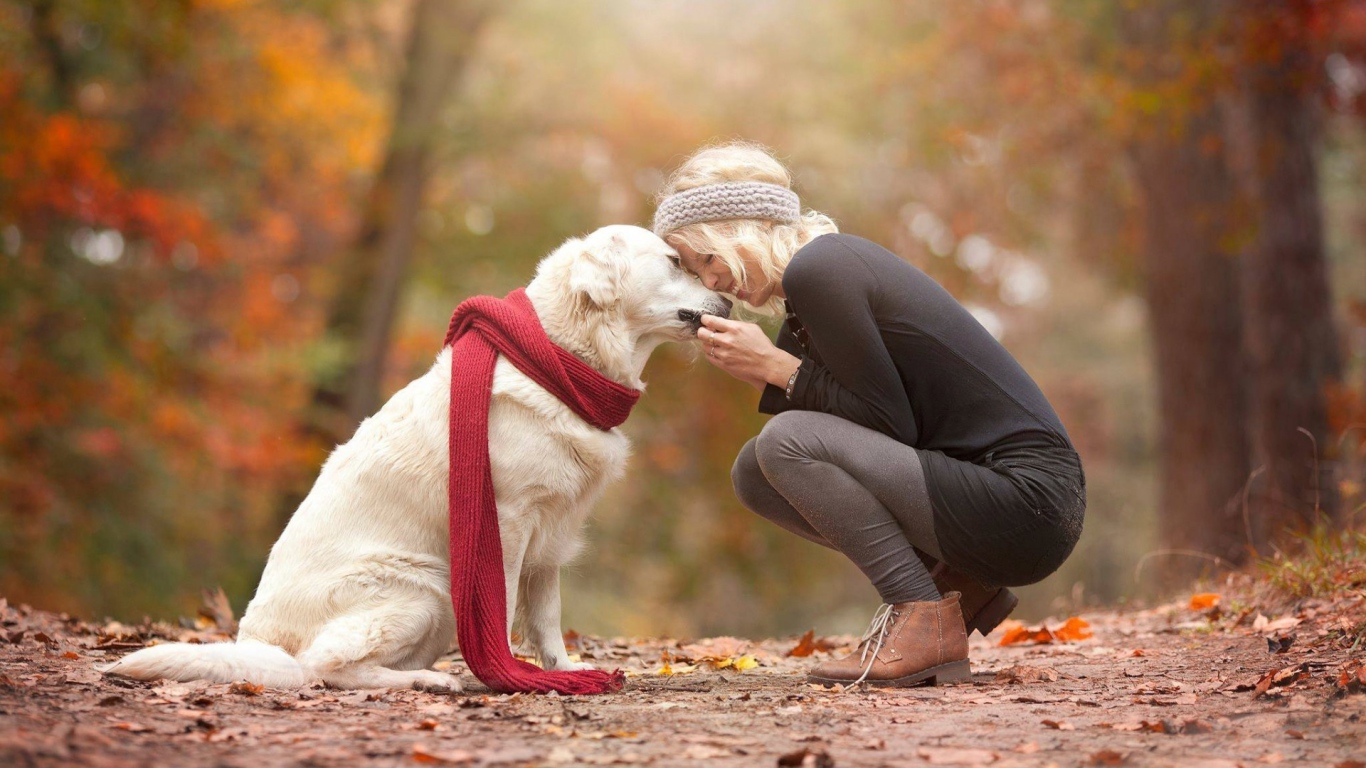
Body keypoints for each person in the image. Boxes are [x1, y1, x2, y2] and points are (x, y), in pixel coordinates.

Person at [650, 142, 1086, 687]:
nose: (711, 283)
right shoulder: (811, 287)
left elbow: (888, 425)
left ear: (738, 230)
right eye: (697, 273)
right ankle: (954, 587)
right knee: (755, 472)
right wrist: (772, 368)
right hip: (1000, 500)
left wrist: (778, 367)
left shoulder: (822, 269)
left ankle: (921, 614)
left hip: (1027, 502)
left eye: (707, 260)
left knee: (785, 441)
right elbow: (874, 425)